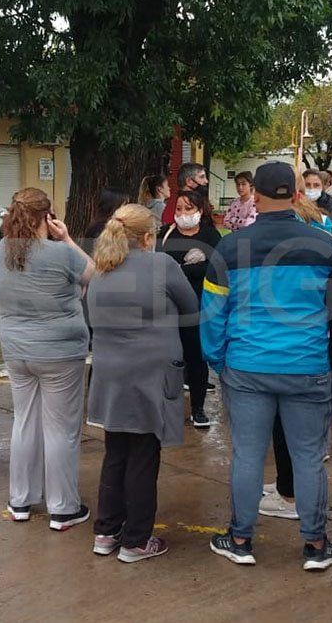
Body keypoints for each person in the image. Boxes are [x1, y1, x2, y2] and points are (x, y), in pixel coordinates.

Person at [201, 161, 332, 572]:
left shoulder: (231, 248)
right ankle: (317, 544)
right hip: (307, 366)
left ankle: (240, 538)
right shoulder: (326, 246)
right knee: (307, 457)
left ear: (255, 195)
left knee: (248, 455)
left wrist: (219, 361)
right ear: (296, 193)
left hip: (247, 366)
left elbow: (212, 315)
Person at [88, 203, 199, 563]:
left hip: (110, 372)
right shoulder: (161, 265)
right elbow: (190, 307)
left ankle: (106, 532)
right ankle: (136, 540)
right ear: (148, 237)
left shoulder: (100, 270)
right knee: (143, 455)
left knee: (116, 451)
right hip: (150, 371)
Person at [0, 187, 93, 530]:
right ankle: (63, 507)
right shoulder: (60, 253)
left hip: (17, 349)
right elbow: (94, 273)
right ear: (46, 218)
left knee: (24, 422)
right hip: (60, 351)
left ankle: (20, 500)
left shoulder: (1, 250)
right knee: (61, 429)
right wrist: (65, 238)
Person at [158, 189, 222, 428]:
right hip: (167, 307)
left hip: (198, 307)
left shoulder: (210, 235)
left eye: (189, 209)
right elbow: (157, 266)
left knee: (196, 358)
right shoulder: (165, 234)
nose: (183, 214)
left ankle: (198, 408)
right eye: (179, 209)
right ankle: (165, 406)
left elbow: (215, 267)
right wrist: (190, 267)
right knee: (167, 358)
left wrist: (182, 270)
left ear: (200, 210)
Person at [162, 163, 209, 227]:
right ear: (189, 181)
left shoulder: (200, 200)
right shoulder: (174, 203)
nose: (206, 181)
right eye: (202, 177)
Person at [303, 169, 332, 234]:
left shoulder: (330, 202)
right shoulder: (294, 202)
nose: (311, 188)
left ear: (322, 187)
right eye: (307, 185)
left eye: (316, 185)